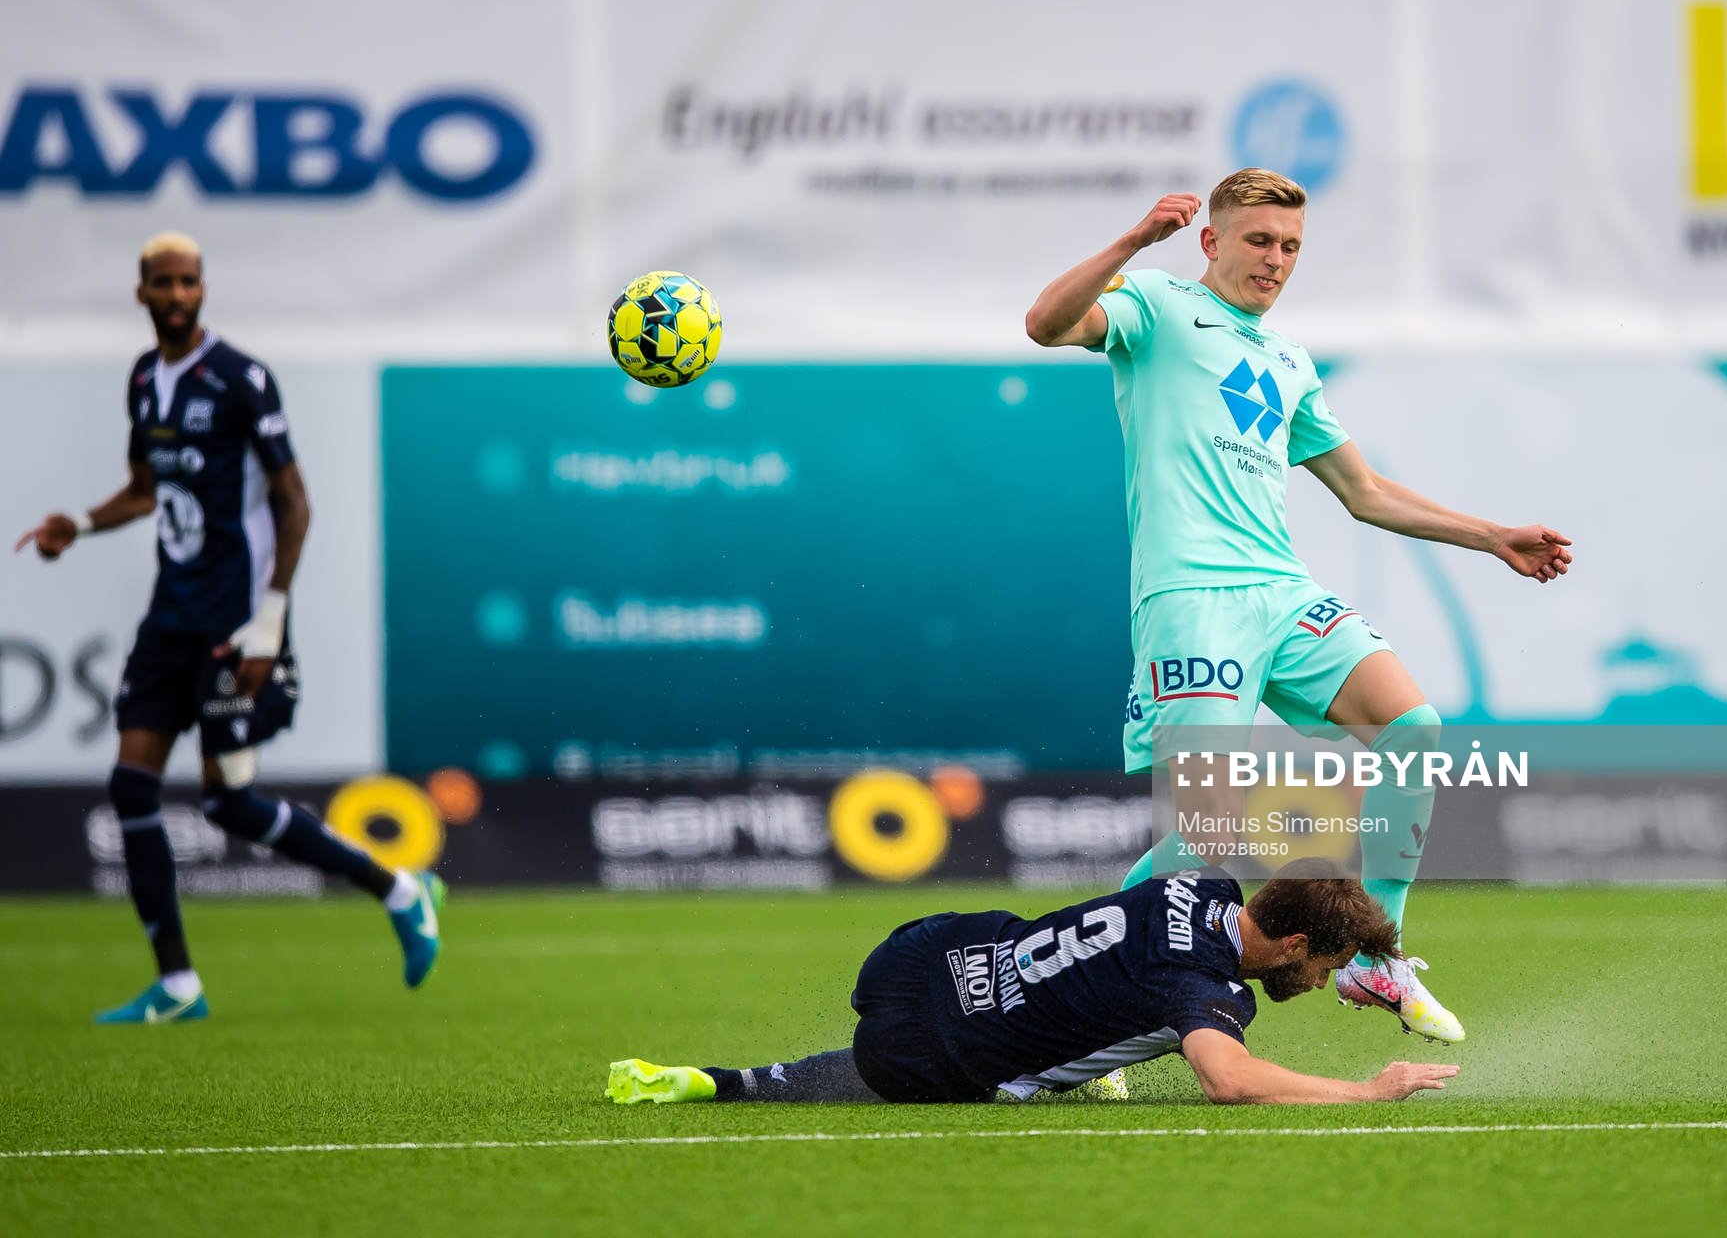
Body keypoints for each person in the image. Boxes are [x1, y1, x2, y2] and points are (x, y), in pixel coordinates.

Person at [1022, 170, 1574, 1044]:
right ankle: (1071, 1005)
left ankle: (1371, 958)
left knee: (1413, 727)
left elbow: (1363, 491)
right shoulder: (1156, 307)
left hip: (1283, 593)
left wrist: (1493, 536)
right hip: (1194, 599)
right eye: (1259, 241)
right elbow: (1046, 324)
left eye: (1290, 248)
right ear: (1211, 241)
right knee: (1200, 844)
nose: (1275, 261)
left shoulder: (1287, 360)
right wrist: (1131, 243)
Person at [14, 232, 445, 1024]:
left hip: (233, 620)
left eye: (188, 282)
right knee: (131, 784)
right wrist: (77, 521)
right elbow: (145, 492)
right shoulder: (145, 380)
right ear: (141, 292)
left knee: (229, 802)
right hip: (169, 614)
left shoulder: (240, 378)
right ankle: (178, 986)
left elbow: (296, 502)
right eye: (162, 283)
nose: (177, 295)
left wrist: (268, 625)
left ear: (202, 290)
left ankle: (400, 889)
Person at [606, 861, 1456, 1105]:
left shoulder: (1199, 889)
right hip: (922, 1048)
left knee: (996, 1010)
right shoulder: (1212, 995)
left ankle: (720, 1081)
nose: (1318, 983)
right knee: (979, 1066)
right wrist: (1364, 1092)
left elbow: (1132, 963)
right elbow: (1227, 1080)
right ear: (1297, 942)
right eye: (1324, 968)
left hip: (917, 954)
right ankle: (727, 1083)